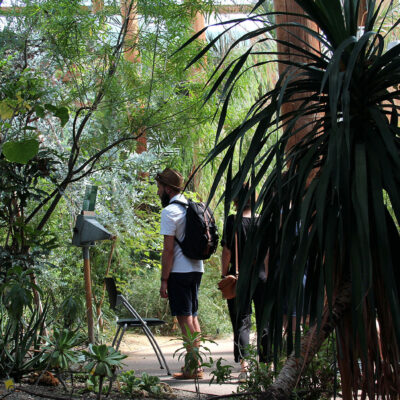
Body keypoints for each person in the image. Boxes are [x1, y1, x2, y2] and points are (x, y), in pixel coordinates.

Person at [155, 168, 204, 379]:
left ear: (167, 188)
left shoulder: (169, 212)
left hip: (179, 271)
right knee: (192, 316)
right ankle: (196, 364)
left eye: (159, 188)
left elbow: (168, 251)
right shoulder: (190, 206)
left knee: (185, 319)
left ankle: (194, 367)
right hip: (196, 268)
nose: (158, 192)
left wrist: (164, 280)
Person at [220, 185, 270, 382]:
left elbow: (227, 252)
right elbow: (267, 252)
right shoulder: (263, 220)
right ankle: (266, 366)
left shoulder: (233, 220)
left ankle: (245, 368)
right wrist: (267, 274)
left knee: (242, 321)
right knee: (264, 321)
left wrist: (224, 274)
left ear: (237, 199)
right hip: (261, 276)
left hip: (239, 277)